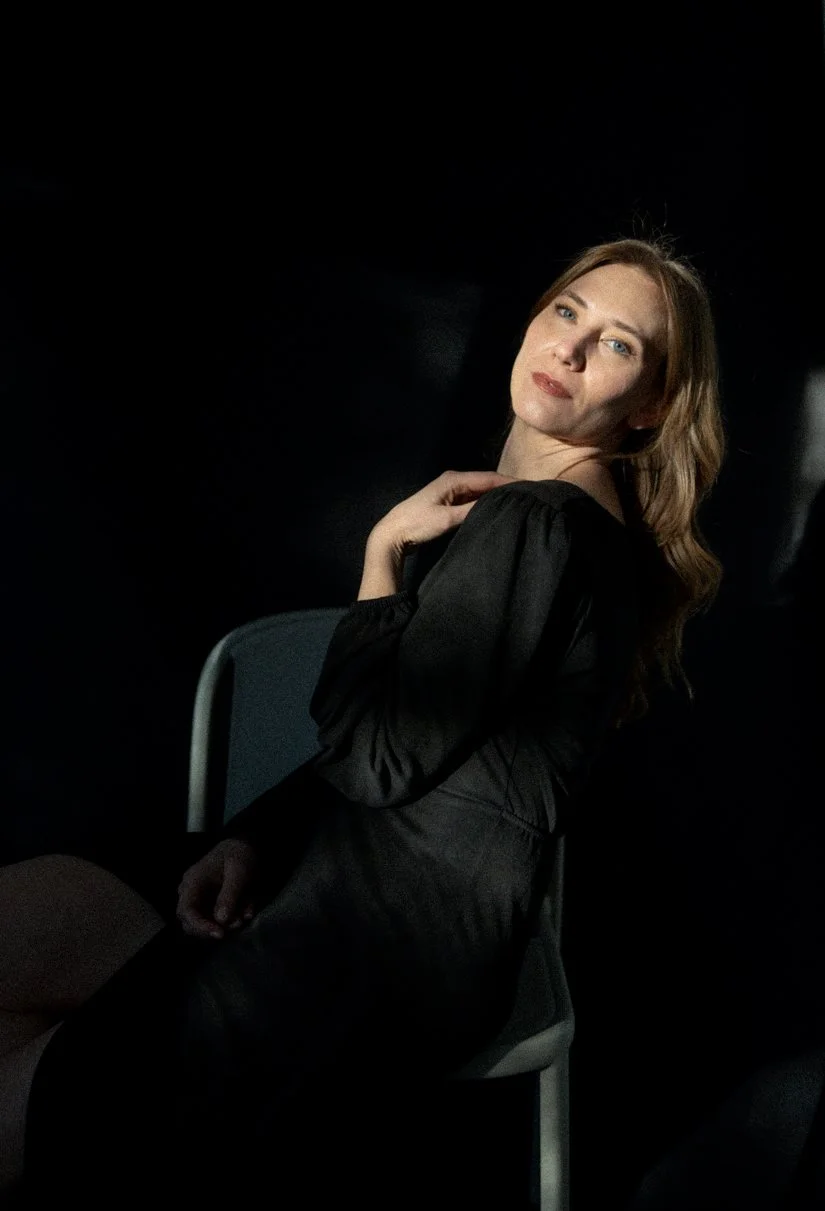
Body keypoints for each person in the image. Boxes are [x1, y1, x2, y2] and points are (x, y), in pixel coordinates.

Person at [0, 236, 725, 1203]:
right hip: (332, 864)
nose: (574, 347)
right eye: (567, 313)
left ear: (646, 411)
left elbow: (382, 758)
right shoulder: (536, 515)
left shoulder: (542, 524)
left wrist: (380, 559)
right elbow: (394, 760)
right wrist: (255, 834)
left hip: (378, 938)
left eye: (620, 344)